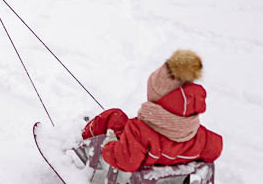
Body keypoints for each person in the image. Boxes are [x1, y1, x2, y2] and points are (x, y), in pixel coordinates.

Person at [81, 50, 223, 172]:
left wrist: (109, 145)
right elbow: (216, 147)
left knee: (114, 115)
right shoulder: (199, 136)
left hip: (130, 149)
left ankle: (82, 141)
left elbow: (126, 160)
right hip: (153, 154)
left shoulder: (139, 131)